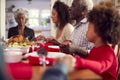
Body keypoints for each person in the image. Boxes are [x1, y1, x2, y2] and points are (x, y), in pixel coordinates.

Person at [59, 4, 120, 80]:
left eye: (89, 28)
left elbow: (100, 66)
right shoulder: (94, 49)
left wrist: (76, 61)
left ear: (99, 30)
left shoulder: (108, 53)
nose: (86, 31)